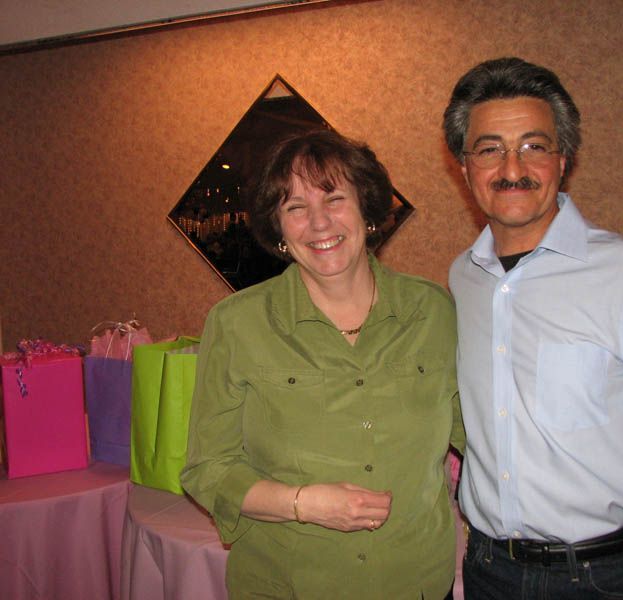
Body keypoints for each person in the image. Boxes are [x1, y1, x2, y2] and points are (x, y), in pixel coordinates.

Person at [442, 57, 623, 600]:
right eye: (489, 149)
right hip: (488, 569)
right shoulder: (464, 278)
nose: (512, 168)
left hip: (603, 576)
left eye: (533, 145)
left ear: (562, 159)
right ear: (465, 168)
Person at [180, 129, 465, 599]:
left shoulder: (433, 311)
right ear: (279, 229)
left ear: (366, 209)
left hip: (414, 581)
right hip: (288, 584)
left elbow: (481, 437)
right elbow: (207, 469)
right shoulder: (236, 323)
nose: (318, 222)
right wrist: (304, 504)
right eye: (295, 207)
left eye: (334, 199)